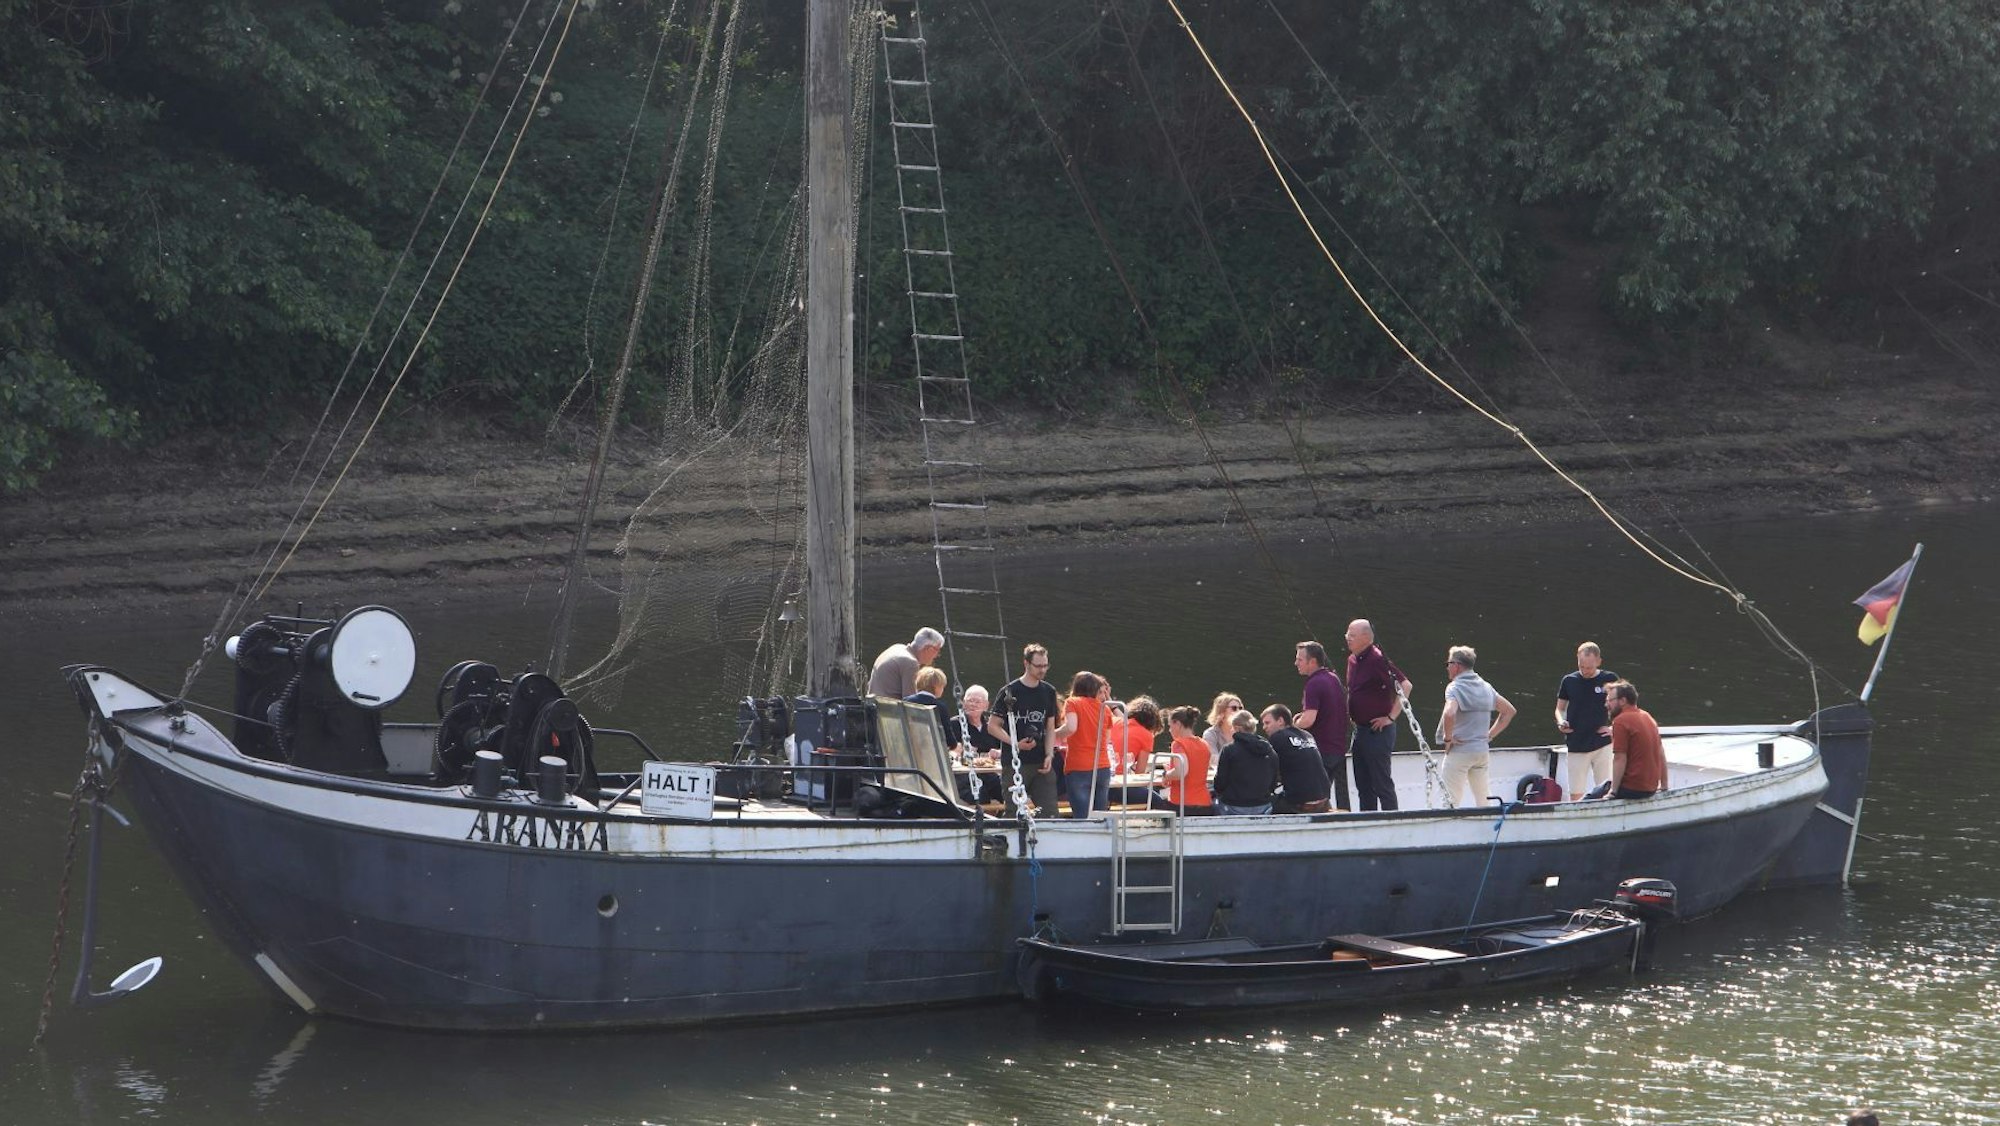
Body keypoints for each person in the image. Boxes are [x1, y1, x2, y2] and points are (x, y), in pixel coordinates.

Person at [988, 643, 1071, 816]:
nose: (1042, 670)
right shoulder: (1009, 691)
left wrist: (1049, 754)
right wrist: (1015, 744)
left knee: (1050, 812)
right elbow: (993, 726)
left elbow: (1049, 727)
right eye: (1038, 666)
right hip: (1015, 763)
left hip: (1041, 762)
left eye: (1045, 665)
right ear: (1026, 664)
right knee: (1014, 812)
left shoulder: (1048, 691)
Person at [1435, 645, 1517, 808]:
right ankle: (1487, 829)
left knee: (1450, 800)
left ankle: (1447, 831)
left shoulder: (1455, 687)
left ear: (1456, 666)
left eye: (1448, 664)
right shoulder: (1486, 687)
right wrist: (1489, 735)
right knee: (1484, 798)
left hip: (1460, 751)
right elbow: (1509, 711)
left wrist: (1448, 738)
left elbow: (1449, 713)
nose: (1447, 668)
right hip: (1481, 751)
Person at [1345, 619, 1413, 811]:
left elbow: (1405, 686)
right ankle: (1368, 821)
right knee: (1363, 784)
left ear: (1366, 638)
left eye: (1352, 635)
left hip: (1378, 730)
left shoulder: (1376, 659)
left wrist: (1391, 717)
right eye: (1347, 634)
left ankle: (1392, 820)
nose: (1347, 638)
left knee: (1380, 782)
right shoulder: (1352, 659)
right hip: (1360, 730)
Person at [1555, 641, 1619, 798]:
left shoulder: (1609, 679)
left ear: (1598, 661)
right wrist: (1560, 721)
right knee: (1576, 793)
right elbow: (1559, 708)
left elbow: (1623, 706)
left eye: (1589, 668)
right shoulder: (1569, 681)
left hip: (1601, 743)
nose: (1585, 671)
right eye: (1581, 666)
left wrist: (1613, 728)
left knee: (1605, 789)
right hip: (1576, 743)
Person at [1294, 641, 1351, 810]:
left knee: (1317, 797)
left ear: (1312, 662)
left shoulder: (1314, 683)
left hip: (1322, 751)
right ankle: (1347, 821)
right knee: (1341, 795)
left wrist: (1294, 724)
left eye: (1299, 660)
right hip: (1339, 748)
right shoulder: (1332, 678)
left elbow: (1309, 719)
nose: (1296, 663)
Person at [1060, 671, 1114, 818]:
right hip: (1102, 767)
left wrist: (1052, 734)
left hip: (1079, 766)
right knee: (1100, 817)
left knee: (1082, 818)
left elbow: (1071, 728)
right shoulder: (1106, 709)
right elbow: (1107, 739)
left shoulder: (1073, 702)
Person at [1261, 704, 1332, 814]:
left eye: (1267, 723)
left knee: (1261, 806)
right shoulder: (1307, 735)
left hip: (1300, 802)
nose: (1264, 727)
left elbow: (1267, 771)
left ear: (1280, 721)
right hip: (1324, 799)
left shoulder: (1277, 737)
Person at [1604, 680, 1668, 799]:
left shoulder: (1620, 721)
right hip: (1651, 788)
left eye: (1609, 701)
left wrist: (1613, 791)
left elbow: (1619, 758)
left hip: (1632, 788)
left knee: (1592, 796)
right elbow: (1661, 753)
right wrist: (1664, 785)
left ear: (1622, 701)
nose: (1606, 705)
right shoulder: (1647, 717)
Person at [1211, 709, 1279, 815]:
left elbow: (1220, 784)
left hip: (1233, 806)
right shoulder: (1269, 750)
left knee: (1212, 802)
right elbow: (1273, 783)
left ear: (1237, 728)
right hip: (1263, 806)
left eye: (1232, 728)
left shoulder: (1229, 750)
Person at [951, 684, 1005, 804]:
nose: (972, 704)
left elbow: (1005, 748)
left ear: (986, 706)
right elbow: (949, 750)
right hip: (965, 775)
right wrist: (961, 751)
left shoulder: (991, 726)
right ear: (963, 703)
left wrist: (998, 752)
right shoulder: (955, 724)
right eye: (969, 700)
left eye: (977, 701)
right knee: (980, 795)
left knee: (1004, 790)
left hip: (990, 772)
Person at [1154, 705, 1213, 814]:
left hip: (1182, 804)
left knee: (1155, 802)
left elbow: (1181, 771)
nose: (1170, 730)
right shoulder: (1204, 744)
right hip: (1205, 803)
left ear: (1178, 724)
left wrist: (1165, 774)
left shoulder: (1178, 744)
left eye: (1170, 726)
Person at [1107, 696, 1163, 808]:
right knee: (1158, 800)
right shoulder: (1146, 736)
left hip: (1102, 782)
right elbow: (1139, 774)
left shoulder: (1114, 721)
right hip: (1118, 787)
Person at [867, 627, 944, 698]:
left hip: (873, 704)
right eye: (938, 651)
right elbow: (911, 703)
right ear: (929, 649)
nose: (938, 655)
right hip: (886, 710)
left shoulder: (896, 647)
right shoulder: (910, 663)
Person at [902, 666, 956, 751]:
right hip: (932, 753)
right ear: (937, 686)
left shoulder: (906, 701)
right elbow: (949, 740)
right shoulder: (941, 707)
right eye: (942, 686)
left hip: (908, 750)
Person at [1202, 691, 1244, 769]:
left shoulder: (1245, 733)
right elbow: (1213, 760)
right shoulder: (1210, 734)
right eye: (1234, 708)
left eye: (1240, 708)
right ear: (1221, 712)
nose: (1238, 712)